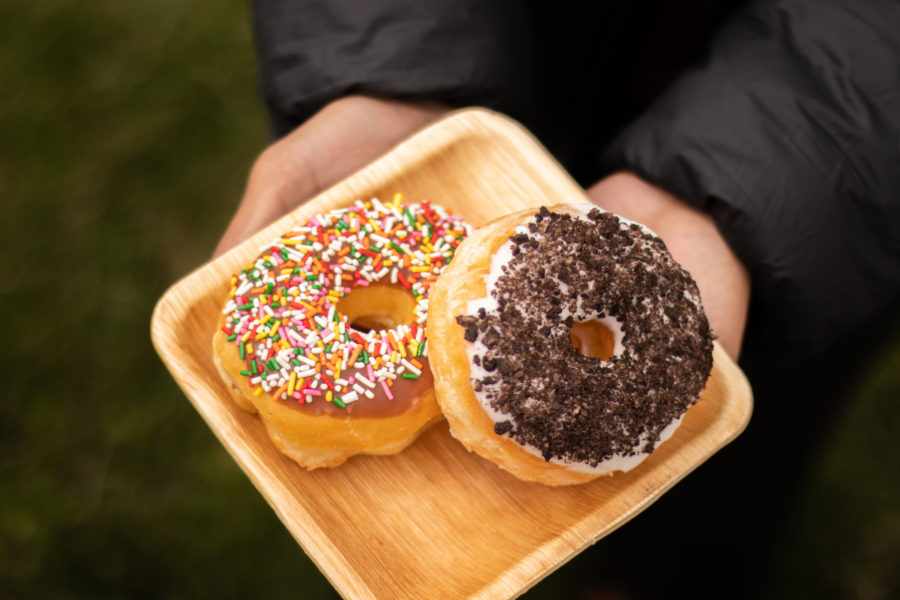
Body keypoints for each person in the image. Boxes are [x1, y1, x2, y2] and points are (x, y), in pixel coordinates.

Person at [214, 1, 900, 596]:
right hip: (532, 50)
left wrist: (757, 181)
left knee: (751, 428)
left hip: (831, 195)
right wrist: (397, 69)